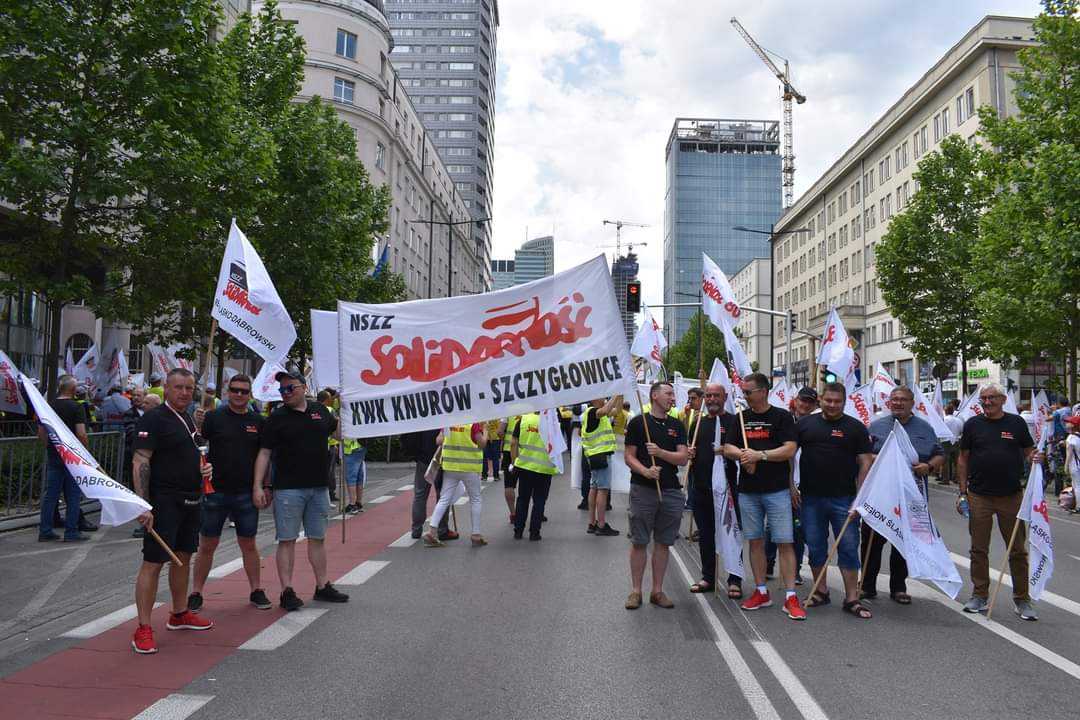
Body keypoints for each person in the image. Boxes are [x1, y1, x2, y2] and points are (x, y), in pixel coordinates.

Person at [131, 368, 215, 654]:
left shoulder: (190, 418)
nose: (184, 393)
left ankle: (179, 614)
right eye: (178, 387)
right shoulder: (153, 419)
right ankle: (143, 627)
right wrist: (143, 504)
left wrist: (205, 468)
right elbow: (141, 460)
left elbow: (190, 452)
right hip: (163, 501)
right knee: (153, 563)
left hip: (191, 499)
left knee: (183, 557)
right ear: (165, 388)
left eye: (189, 388)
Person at [253, 370, 349, 611]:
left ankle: (322, 585)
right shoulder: (276, 417)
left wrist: (346, 408)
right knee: (287, 540)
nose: (285, 393)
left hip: (318, 487)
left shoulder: (320, 411)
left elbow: (340, 433)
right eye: (282, 390)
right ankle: (286, 590)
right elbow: (264, 452)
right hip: (288, 489)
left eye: (290, 388)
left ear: (304, 387)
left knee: (318, 538)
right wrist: (258, 486)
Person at [721, 373, 802, 620]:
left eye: (748, 392)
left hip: (776, 490)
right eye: (743, 392)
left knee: (784, 542)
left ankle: (790, 597)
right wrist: (743, 454)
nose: (744, 396)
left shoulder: (781, 417)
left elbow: (789, 448)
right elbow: (727, 447)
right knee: (754, 541)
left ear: (763, 391)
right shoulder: (741, 418)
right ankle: (761, 591)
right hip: (748, 490)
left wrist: (761, 456)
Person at [957, 382, 1040, 619]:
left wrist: (1037, 456)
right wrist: (962, 492)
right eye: (983, 398)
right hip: (979, 495)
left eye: (992, 397)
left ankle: (1022, 600)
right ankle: (979, 596)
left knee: (1017, 550)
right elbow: (963, 459)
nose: (987, 402)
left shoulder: (1016, 423)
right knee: (978, 549)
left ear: (1003, 399)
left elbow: (1029, 452)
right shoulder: (972, 425)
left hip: (1011, 497)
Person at [188, 374, 271, 613]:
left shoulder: (258, 421)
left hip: (246, 491)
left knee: (249, 543)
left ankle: (256, 589)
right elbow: (198, 443)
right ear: (227, 391)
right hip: (215, 490)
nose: (239, 395)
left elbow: (264, 457)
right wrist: (198, 424)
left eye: (244, 391)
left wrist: (264, 487)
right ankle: (196, 592)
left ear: (250, 394)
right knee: (207, 544)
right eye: (235, 390)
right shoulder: (214, 417)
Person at [798, 383, 874, 619]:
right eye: (828, 400)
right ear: (820, 399)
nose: (832, 405)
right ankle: (820, 591)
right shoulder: (805, 424)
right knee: (816, 546)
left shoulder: (856, 428)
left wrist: (860, 498)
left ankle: (852, 598)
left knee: (849, 548)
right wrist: (791, 487)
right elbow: (790, 455)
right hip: (810, 498)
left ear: (844, 401)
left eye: (837, 401)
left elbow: (865, 463)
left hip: (845, 499)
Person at [862, 386, 945, 604]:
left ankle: (899, 587)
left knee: (903, 543)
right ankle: (867, 586)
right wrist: (875, 459)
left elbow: (939, 455)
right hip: (880, 496)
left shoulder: (925, 428)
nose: (898, 403)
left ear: (912, 403)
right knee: (872, 542)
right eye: (894, 399)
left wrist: (929, 466)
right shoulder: (876, 426)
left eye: (903, 400)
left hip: (911, 498)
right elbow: (864, 455)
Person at [623, 381, 688, 610]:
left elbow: (682, 458)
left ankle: (657, 591)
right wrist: (645, 471)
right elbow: (629, 457)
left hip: (670, 490)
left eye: (672, 394)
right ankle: (636, 591)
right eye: (668, 393)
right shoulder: (638, 423)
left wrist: (660, 453)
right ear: (654, 396)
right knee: (640, 541)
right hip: (643, 489)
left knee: (663, 542)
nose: (672, 397)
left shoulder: (677, 425)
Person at [686, 383, 735, 595]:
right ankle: (708, 577)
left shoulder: (734, 422)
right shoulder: (697, 424)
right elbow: (691, 452)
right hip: (702, 487)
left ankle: (735, 579)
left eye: (716, 395)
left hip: (729, 490)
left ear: (725, 397)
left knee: (731, 533)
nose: (712, 399)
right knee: (706, 535)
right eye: (708, 396)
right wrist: (689, 453)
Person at [767, 387, 816, 582]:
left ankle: (794, 571)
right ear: (795, 401)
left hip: (806, 485)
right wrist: (790, 486)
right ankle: (768, 564)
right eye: (802, 400)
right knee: (772, 527)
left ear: (814, 405)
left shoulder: (815, 424)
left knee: (798, 528)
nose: (805, 405)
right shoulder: (784, 421)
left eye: (810, 402)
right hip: (782, 483)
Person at [38, 375, 92, 543]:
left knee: (51, 494)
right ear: (73, 390)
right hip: (72, 456)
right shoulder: (76, 407)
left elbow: (41, 431)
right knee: (73, 495)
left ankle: (45, 530)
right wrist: (84, 453)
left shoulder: (48, 406)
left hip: (55, 454)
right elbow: (81, 433)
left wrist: (51, 446)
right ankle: (71, 531)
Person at [423, 423, 487, 547]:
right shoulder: (473, 424)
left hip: (450, 467)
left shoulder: (448, 422)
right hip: (470, 468)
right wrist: (486, 431)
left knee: (444, 499)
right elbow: (482, 444)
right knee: (475, 499)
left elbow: (439, 441)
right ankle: (476, 534)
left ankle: (432, 531)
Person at [510, 411, 558, 541]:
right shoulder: (551, 423)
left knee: (523, 499)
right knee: (539, 501)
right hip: (544, 468)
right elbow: (558, 446)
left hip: (525, 466)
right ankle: (534, 533)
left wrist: (514, 463)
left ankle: (518, 531)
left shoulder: (523, 420)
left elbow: (513, 442)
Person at [403, 428, 453, 541]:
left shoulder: (425, 413)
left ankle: (416, 529)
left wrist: (416, 455)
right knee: (442, 495)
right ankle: (442, 529)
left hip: (424, 458)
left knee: (420, 494)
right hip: (442, 457)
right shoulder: (445, 413)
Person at [583, 394, 622, 536]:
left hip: (595, 455)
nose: (605, 399)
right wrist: (615, 394)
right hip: (601, 455)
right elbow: (605, 410)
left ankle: (592, 523)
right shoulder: (593, 411)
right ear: (594, 399)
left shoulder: (596, 413)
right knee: (602, 490)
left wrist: (620, 395)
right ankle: (601, 524)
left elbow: (616, 411)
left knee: (594, 488)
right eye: (602, 397)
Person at [318, 390, 340, 504]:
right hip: (329, 446)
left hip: (320, 446)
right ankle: (330, 494)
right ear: (326, 399)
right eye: (330, 398)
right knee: (329, 472)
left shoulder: (313, 410)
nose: (332, 399)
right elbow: (335, 428)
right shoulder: (330, 410)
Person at [500, 416, 520, 524]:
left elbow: (500, 431)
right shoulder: (532, 407)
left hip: (509, 451)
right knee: (528, 483)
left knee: (509, 484)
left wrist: (505, 441)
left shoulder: (507, 410)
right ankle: (536, 511)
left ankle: (513, 513)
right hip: (526, 450)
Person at [342, 436, 367, 514]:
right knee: (359, 476)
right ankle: (358, 502)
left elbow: (339, 435)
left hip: (351, 448)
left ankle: (352, 504)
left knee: (351, 477)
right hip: (361, 445)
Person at [482, 417, 502, 482]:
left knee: (485, 457)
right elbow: (499, 427)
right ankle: (495, 476)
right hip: (494, 438)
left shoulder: (484, 415)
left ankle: (484, 475)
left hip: (487, 437)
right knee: (495, 458)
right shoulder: (496, 415)